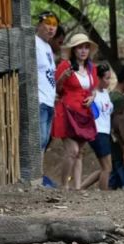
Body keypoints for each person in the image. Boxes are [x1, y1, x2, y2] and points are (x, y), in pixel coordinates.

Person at [53, 33, 99, 191]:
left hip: (84, 113)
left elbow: (94, 89)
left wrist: (92, 97)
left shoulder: (92, 68)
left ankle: (77, 188)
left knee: (80, 152)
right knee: (72, 150)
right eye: (80, 47)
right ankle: (64, 185)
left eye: (86, 47)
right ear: (73, 50)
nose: (83, 51)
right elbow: (56, 89)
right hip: (67, 112)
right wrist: (62, 79)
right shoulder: (65, 66)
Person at [80, 64, 114, 191]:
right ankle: (104, 194)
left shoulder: (105, 93)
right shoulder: (92, 94)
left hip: (105, 131)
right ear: (98, 78)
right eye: (106, 78)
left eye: (110, 78)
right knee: (107, 167)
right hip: (97, 131)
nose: (109, 82)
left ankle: (81, 187)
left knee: (105, 167)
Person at [35, 11, 60, 188]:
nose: (51, 27)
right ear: (39, 25)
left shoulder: (48, 48)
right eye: (48, 23)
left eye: (54, 24)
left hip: (50, 100)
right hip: (39, 99)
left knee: (45, 141)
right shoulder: (33, 43)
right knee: (40, 139)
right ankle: (36, 176)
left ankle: (40, 174)